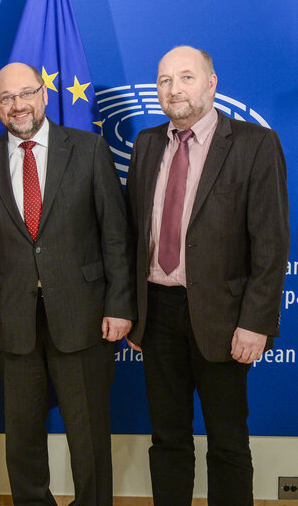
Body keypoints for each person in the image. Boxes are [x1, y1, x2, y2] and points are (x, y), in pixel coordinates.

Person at [0, 62, 134, 505]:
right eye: (6, 98)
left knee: (89, 435)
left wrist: (119, 304)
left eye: (26, 94)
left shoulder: (90, 148)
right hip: (11, 320)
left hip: (85, 315)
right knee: (21, 439)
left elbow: (115, 234)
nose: (18, 105)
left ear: (44, 95)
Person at [125, 45, 289, 505]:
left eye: (186, 77)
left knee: (228, 441)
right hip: (157, 313)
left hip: (224, 315)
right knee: (168, 437)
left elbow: (271, 244)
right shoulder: (146, 143)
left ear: (212, 83)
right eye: (163, 80)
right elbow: (135, 235)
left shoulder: (255, 144)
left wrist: (256, 321)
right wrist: (133, 310)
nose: (173, 89)